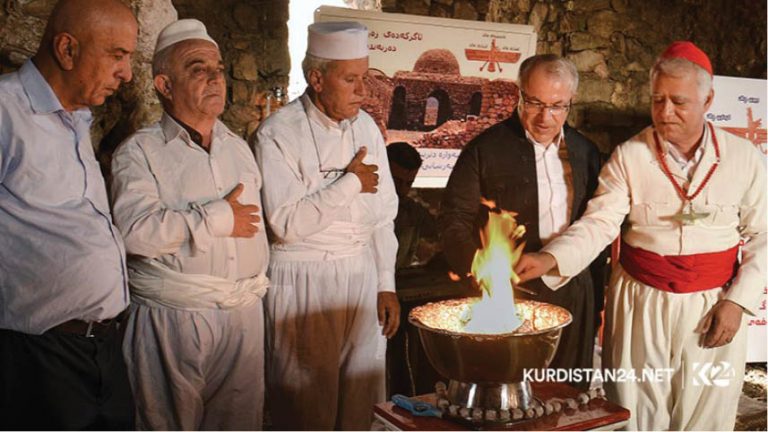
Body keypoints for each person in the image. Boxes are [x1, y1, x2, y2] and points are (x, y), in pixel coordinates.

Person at [515, 41, 766, 430]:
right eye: (657, 100)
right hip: (640, 304)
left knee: (708, 414)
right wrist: (551, 258)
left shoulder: (744, 158)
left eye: (679, 102)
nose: (665, 113)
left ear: (708, 98)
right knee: (636, 412)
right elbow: (600, 222)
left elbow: (764, 235)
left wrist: (738, 303)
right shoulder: (629, 156)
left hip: (713, 304)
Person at [109, 19, 269, 430]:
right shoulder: (140, 152)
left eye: (218, 69)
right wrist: (215, 218)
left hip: (242, 316)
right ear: (164, 85)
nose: (216, 78)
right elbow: (134, 233)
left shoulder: (238, 148)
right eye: (198, 69)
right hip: (174, 320)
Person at [253, 21, 400, 430]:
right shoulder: (277, 134)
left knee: (362, 397)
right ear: (316, 79)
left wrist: (385, 281)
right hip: (304, 280)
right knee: (305, 405)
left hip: (360, 274)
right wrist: (350, 182)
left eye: (365, 78)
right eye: (350, 79)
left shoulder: (366, 128)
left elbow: (384, 212)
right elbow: (287, 223)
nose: (363, 91)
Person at [0, 0, 136, 429]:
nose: (128, 74)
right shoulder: (5, 112)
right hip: (37, 358)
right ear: (67, 49)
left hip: (105, 351)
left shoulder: (77, 117)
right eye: (117, 55)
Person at [439, 54, 604, 387]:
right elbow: (454, 220)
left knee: (568, 390)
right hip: (511, 287)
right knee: (512, 392)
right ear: (519, 94)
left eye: (558, 106)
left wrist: (597, 297)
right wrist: (483, 271)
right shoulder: (485, 149)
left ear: (571, 101)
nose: (545, 117)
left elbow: (596, 223)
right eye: (535, 103)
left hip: (573, 286)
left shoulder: (585, 151)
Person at [387, 141, 437, 269]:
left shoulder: (412, 211)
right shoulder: (359, 207)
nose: (402, 190)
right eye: (396, 181)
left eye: (408, 184)